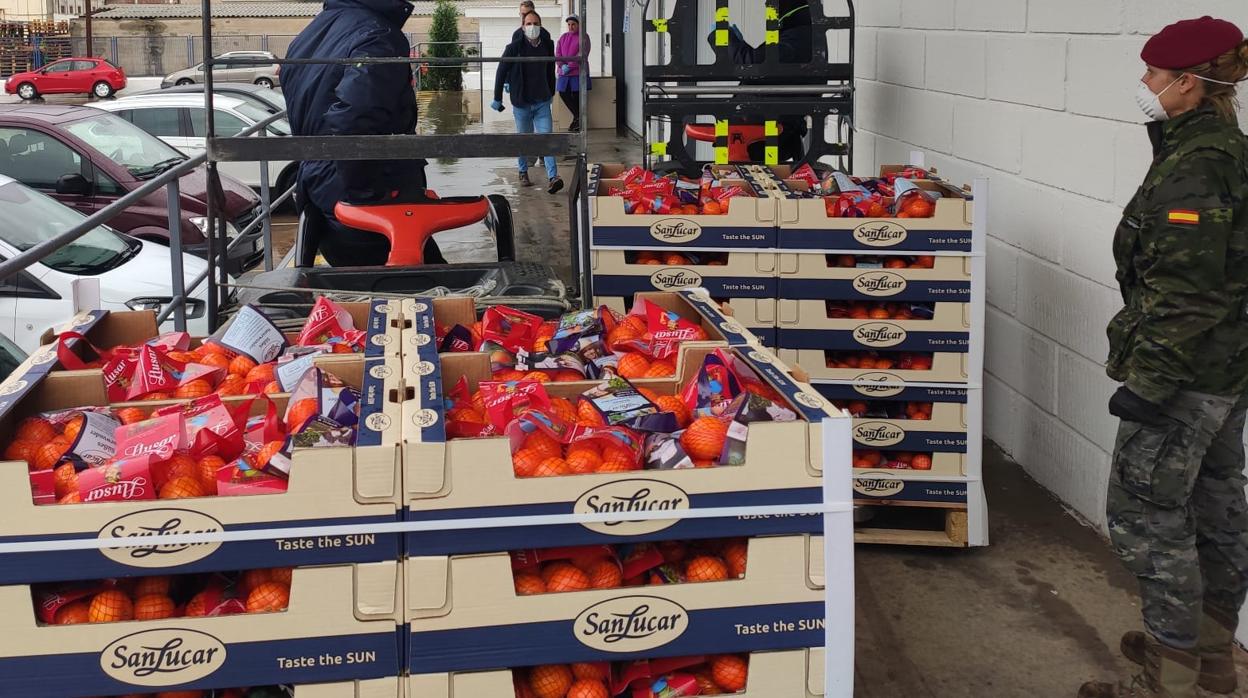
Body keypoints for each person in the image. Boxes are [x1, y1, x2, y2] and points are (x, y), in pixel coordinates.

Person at [1081, 16, 1248, 698]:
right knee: (1215, 513)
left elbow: (1187, 291)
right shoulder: (1218, 150)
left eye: (1153, 74)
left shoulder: (1196, 169)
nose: (1144, 85)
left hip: (1184, 378)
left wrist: (1150, 384)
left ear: (1186, 83)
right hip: (1225, 375)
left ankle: (1168, 679)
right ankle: (1207, 661)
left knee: (1150, 520)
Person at [282, 0, 446, 266]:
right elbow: (354, 119)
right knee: (422, 295)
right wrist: (366, 197)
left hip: (317, 185)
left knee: (369, 291)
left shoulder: (311, 34)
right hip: (365, 199)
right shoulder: (378, 35)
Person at [708, 0, 815, 162]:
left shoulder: (797, 37)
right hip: (768, 126)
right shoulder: (799, 34)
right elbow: (762, 64)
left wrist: (722, 37)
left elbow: (752, 64)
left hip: (765, 133)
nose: (767, 8)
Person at [491, 11, 563, 194]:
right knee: (523, 139)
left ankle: (553, 177)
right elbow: (501, 71)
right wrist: (497, 97)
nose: (532, 27)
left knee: (546, 138)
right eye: (528, 23)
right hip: (522, 102)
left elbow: (549, 70)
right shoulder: (514, 47)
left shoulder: (547, 45)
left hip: (542, 102)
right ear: (523, 26)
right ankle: (523, 171)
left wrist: (551, 92)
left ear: (541, 25)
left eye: (535, 23)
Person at [555, 14, 590, 132]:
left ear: (579, 25)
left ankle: (577, 121)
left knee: (576, 96)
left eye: (573, 24)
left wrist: (570, 66)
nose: (571, 27)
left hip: (577, 72)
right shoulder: (563, 37)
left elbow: (582, 54)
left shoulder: (584, 37)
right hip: (564, 73)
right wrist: (561, 65)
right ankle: (578, 118)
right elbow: (558, 53)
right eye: (569, 24)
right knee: (563, 93)